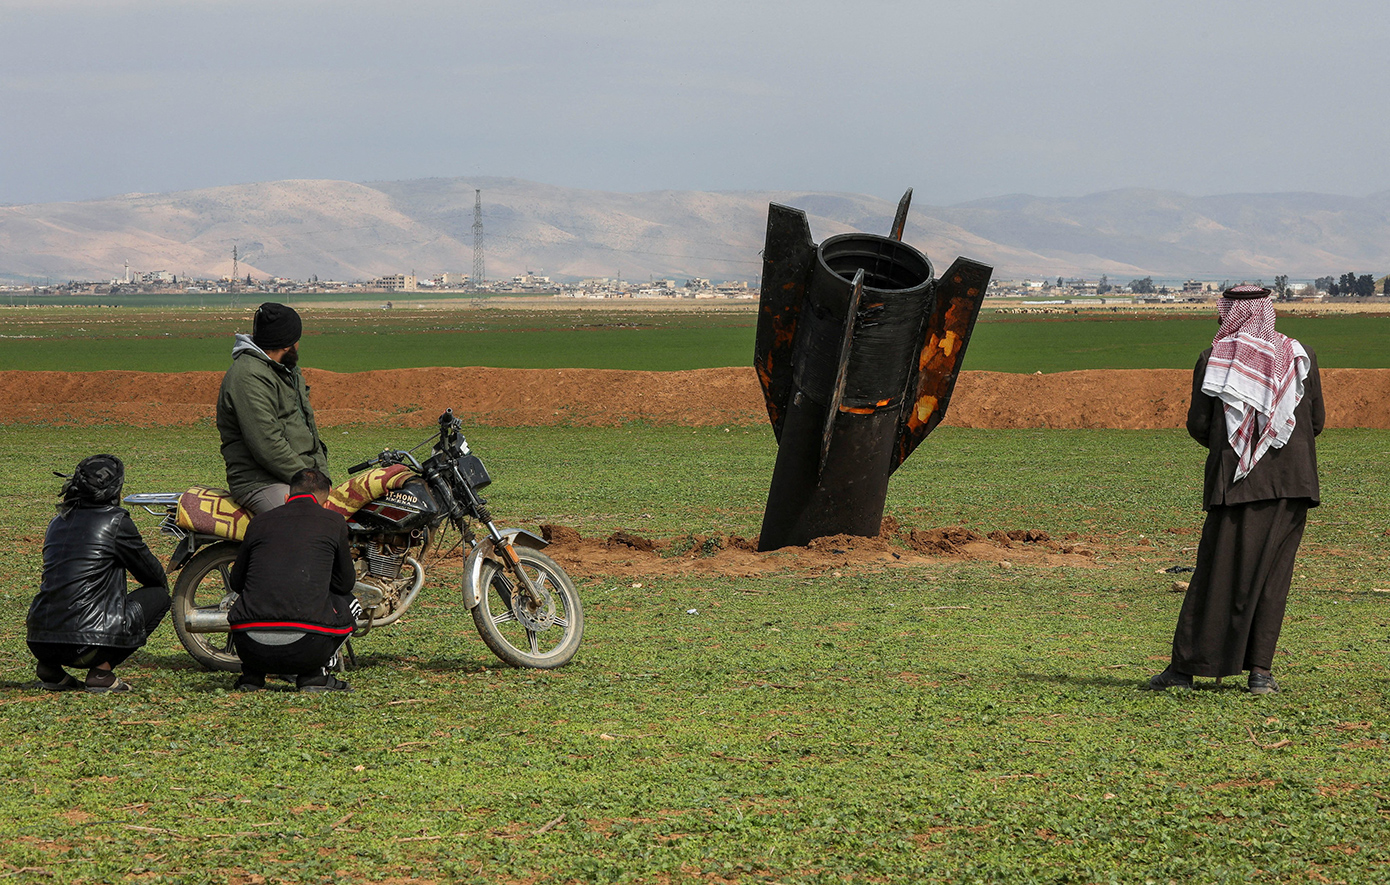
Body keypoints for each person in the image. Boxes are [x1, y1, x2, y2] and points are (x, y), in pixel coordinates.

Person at [1149, 285, 1323, 694]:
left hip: (1237, 483)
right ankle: (1260, 673)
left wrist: (1238, 449)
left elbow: (1199, 424)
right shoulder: (1301, 356)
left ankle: (1185, 669)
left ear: (1231, 313)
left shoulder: (1215, 360)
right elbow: (1314, 421)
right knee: (1272, 577)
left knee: (1215, 573)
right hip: (1293, 484)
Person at [27, 455, 171, 693]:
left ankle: (50, 668)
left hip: (39, 639)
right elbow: (152, 576)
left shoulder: (56, 521)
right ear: (115, 488)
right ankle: (102, 672)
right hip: (87, 646)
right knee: (159, 595)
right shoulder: (115, 521)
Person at [227, 468, 360, 692]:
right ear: (326, 497)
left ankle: (252, 676)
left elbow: (236, 583)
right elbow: (344, 584)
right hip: (307, 648)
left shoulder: (259, 522)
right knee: (351, 602)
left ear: (288, 497)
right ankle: (316, 676)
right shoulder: (334, 521)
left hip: (250, 647)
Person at [216, 302, 329, 514]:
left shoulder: (286, 371)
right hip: (261, 480)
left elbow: (308, 427)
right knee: (303, 525)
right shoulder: (248, 376)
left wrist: (322, 476)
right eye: (297, 339)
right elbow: (267, 443)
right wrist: (309, 481)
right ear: (287, 344)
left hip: (298, 478)